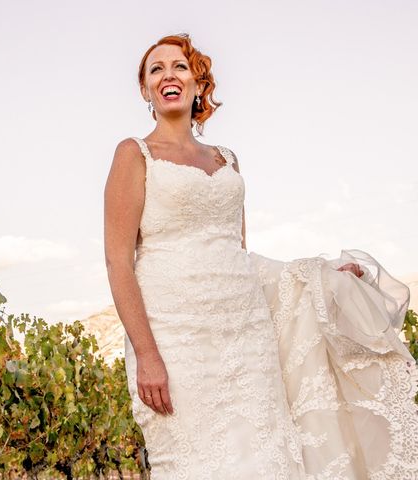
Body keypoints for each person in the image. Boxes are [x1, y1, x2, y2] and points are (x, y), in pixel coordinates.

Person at [103, 33, 418, 479]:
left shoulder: (226, 160)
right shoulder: (134, 155)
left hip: (248, 338)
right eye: (156, 69)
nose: (168, 75)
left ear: (197, 83)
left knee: (266, 459)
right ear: (144, 90)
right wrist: (148, 355)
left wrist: (322, 277)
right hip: (175, 343)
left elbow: (239, 257)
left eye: (179, 66)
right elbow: (119, 261)